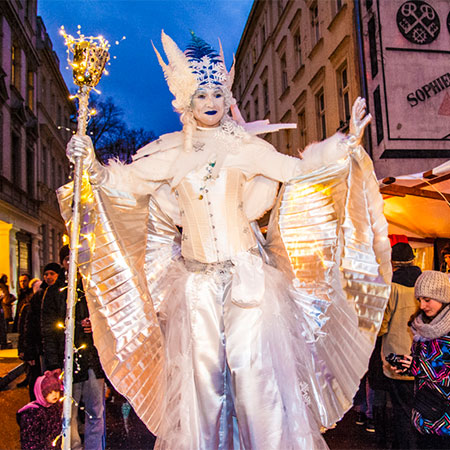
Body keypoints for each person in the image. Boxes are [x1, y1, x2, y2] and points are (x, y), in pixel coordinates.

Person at [63, 32, 390, 449]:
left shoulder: (244, 147)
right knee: (202, 384)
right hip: (196, 285)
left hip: (248, 280)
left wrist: (342, 146)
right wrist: (90, 162)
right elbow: (123, 180)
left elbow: (296, 171)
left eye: (218, 92)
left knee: (255, 379)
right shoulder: (171, 153)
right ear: (186, 101)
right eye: (202, 94)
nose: (212, 101)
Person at [41, 246, 105, 450]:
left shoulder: (93, 287)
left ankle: (94, 447)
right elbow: (48, 330)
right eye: (68, 259)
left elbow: (107, 319)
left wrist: (95, 325)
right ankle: (73, 447)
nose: (73, 262)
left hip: (92, 360)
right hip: (67, 361)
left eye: (78, 258)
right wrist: (52, 363)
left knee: (96, 412)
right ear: (63, 262)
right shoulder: (54, 292)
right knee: (68, 414)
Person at [398, 271, 450, 449]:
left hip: (445, 420)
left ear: (443, 297)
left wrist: (418, 367)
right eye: (419, 299)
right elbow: (422, 362)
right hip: (424, 413)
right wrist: (408, 365)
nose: (422, 305)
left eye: (427, 299)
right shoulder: (422, 326)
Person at [378, 242, 421, 448]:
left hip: (397, 355)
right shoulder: (424, 283)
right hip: (421, 356)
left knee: (401, 409)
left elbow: (383, 324)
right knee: (417, 406)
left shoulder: (392, 286)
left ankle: (403, 445)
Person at [22, 263, 60, 399]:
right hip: (42, 346)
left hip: (59, 345)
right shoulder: (38, 296)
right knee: (43, 381)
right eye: (46, 274)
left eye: (52, 274)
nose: (49, 277)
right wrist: (29, 351)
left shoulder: (64, 293)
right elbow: (30, 325)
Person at [17, 369, 63, 450]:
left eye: (56, 390)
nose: (54, 394)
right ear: (41, 393)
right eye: (49, 392)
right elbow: (30, 439)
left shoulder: (55, 408)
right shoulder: (33, 412)